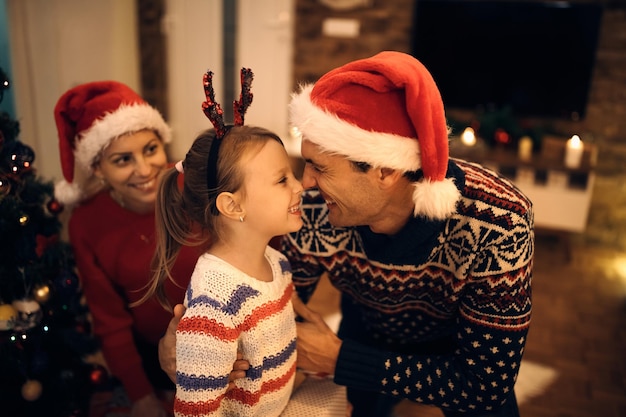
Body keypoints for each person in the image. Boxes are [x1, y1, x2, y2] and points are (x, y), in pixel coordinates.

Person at [160, 51, 534, 417]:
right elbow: (281, 307)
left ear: (385, 172)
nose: (305, 184)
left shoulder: (500, 222)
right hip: (366, 330)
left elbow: (485, 386)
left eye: (319, 167)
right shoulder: (311, 211)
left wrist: (344, 359)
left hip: (456, 350)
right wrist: (197, 349)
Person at [53, 81, 246, 417]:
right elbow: (109, 319)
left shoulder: (196, 183)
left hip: (236, 341)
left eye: (150, 149)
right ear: (98, 169)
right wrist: (140, 395)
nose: (144, 169)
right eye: (122, 159)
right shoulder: (86, 223)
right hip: (156, 355)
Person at [142, 69, 306, 416]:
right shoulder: (213, 304)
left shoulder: (278, 263)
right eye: (282, 180)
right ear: (232, 205)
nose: (300, 187)